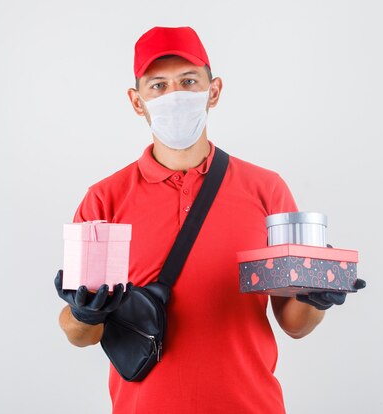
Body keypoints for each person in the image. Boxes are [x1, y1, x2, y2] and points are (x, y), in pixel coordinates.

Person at [55, 26, 365, 413]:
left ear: (213, 91)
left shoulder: (266, 189)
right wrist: (85, 313)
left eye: (188, 82)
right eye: (158, 86)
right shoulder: (104, 199)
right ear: (137, 101)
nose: (175, 96)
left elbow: (294, 324)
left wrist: (315, 298)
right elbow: (79, 334)